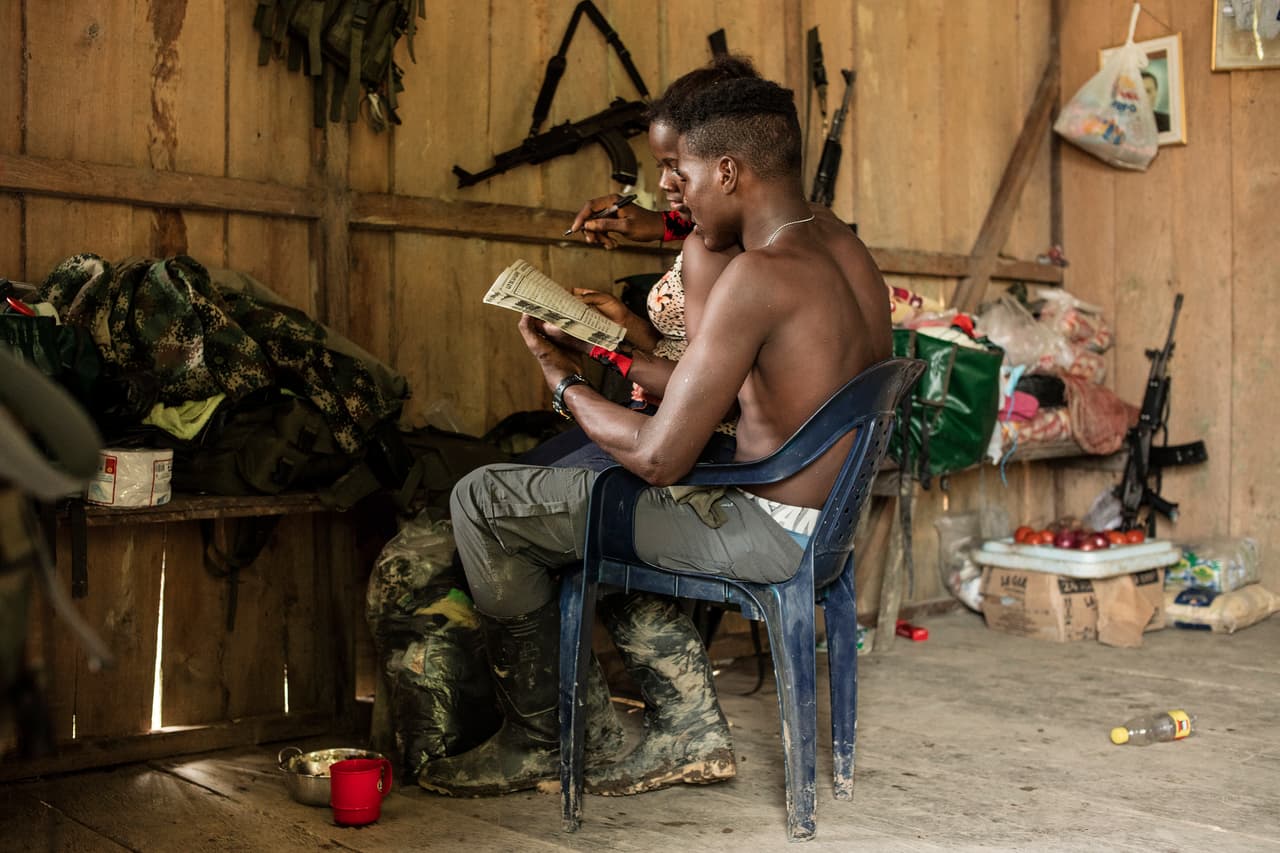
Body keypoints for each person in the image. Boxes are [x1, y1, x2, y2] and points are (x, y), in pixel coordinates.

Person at [418, 76, 891, 800]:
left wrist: (559, 379)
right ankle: (668, 725)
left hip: (762, 530)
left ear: (728, 171)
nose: (677, 196)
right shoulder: (845, 249)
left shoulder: (757, 276)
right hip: (825, 526)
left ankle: (541, 738)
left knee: (484, 499)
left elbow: (658, 454)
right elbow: (740, 392)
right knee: (592, 497)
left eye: (686, 175)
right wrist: (616, 354)